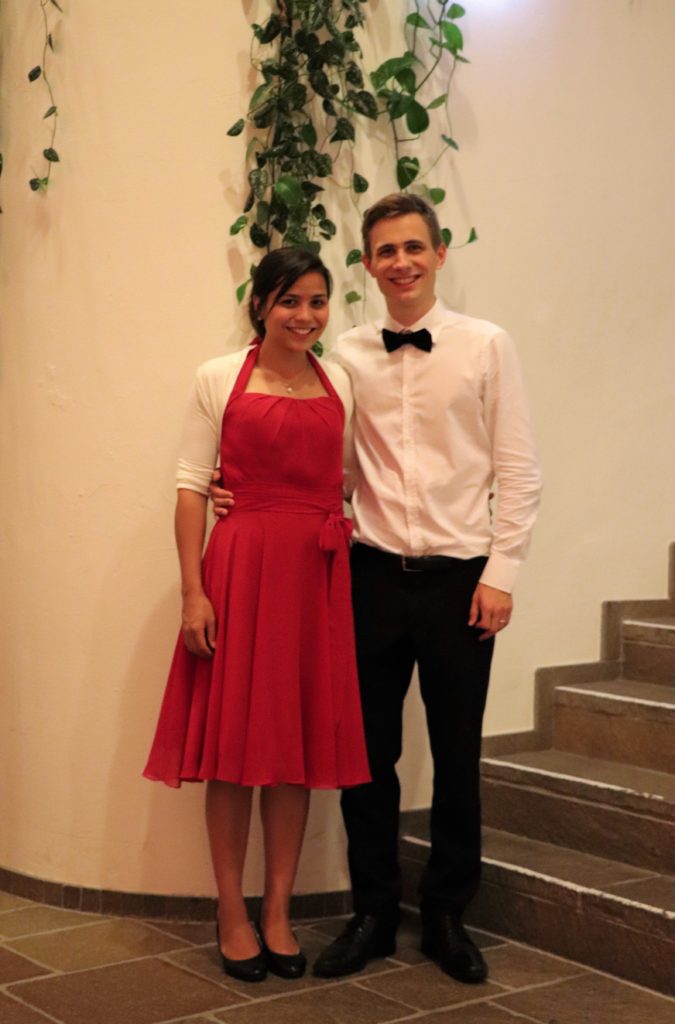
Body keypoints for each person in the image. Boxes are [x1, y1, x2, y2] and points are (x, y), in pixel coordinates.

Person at [211, 193, 542, 984]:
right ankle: (372, 913)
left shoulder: (487, 345)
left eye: (413, 247)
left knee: (456, 755)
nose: (400, 262)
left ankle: (447, 916)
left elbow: (518, 469)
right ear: (367, 263)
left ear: (439, 253)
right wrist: (239, 492)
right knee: (364, 757)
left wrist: (501, 573)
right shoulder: (345, 358)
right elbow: (318, 455)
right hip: (364, 576)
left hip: (462, 580)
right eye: (385, 250)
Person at [143, 247, 370, 984]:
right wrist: (193, 592)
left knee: (293, 750)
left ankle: (276, 910)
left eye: (317, 301)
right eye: (289, 301)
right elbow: (189, 485)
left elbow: (351, 479)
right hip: (238, 570)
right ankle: (230, 911)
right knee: (233, 749)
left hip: (315, 576)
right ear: (260, 305)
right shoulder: (217, 376)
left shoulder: (341, 380)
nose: (304, 315)